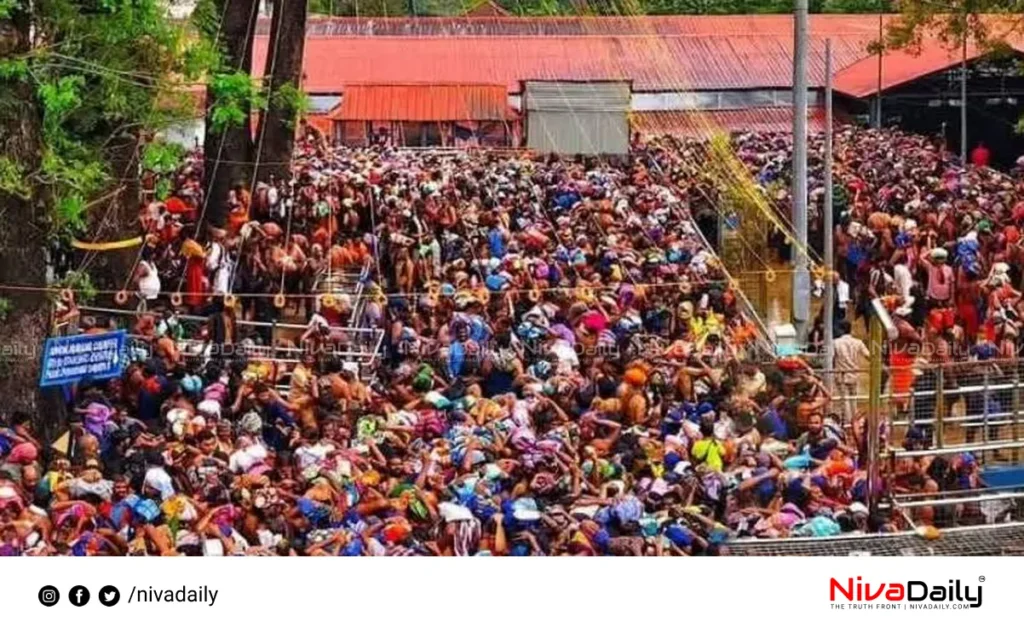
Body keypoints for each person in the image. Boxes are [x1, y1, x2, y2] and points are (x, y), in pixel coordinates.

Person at [833, 320, 869, 423]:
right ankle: (855, 421)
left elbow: (830, 357)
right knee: (853, 400)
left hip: (841, 375)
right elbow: (868, 355)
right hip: (854, 374)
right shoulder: (858, 342)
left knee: (845, 401)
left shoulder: (835, 342)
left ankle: (849, 423)